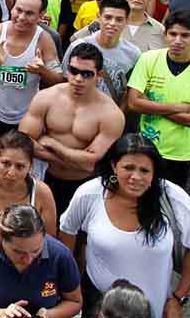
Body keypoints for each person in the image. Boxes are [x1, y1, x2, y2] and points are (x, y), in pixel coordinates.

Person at [60, 134, 190, 318]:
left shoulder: (174, 198)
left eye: (144, 170)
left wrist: (178, 298)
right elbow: (67, 231)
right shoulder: (90, 193)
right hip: (98, 306)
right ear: (114, 165)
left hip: (154, 308)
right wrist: (70, 286)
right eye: (128, 167)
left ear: (154, 172)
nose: (136, 177)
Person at [19, 42, 125, 214]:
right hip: (46, 178)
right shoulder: (47, 97)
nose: (78, 79)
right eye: (73, 71)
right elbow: (23, 141)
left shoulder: (111, 114)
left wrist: (53, 144)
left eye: (86, 74)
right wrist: (75, 161)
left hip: (85, 184)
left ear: (99, 75)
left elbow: (91, 161)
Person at [125, 12, 190, 188]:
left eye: (185, 35)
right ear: (165, 35)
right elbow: (132, 103)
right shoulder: (148, 59)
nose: (178, 40)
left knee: (169, 205)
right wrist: (179, 107)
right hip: (145, 147)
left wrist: (148, 105)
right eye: (173, 34)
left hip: (180, 154)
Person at [0, 0, 64, 175]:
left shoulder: (44, 40)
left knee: (17, 165)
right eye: (18, 10)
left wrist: (42, 71)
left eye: (29, 13)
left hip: (25, 117)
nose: (21, 17)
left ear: (41, 15)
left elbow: (58, 79)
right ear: (11, 8)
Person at [0, 204, 82, 318]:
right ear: (1, 238)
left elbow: (74, 301)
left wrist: (48, 314)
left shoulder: (60, 255)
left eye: (35, 251)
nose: (28, 260)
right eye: (19, 252)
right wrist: (0, 313)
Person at [64, 0, 142, 106]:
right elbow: (64, 81)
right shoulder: (77, 46)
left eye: (119, 19)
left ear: (127, 20)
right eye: (108, 17)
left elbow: (130, 92)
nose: (112, 23)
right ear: (99, 17)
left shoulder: (133, 53)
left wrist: (119, 115)